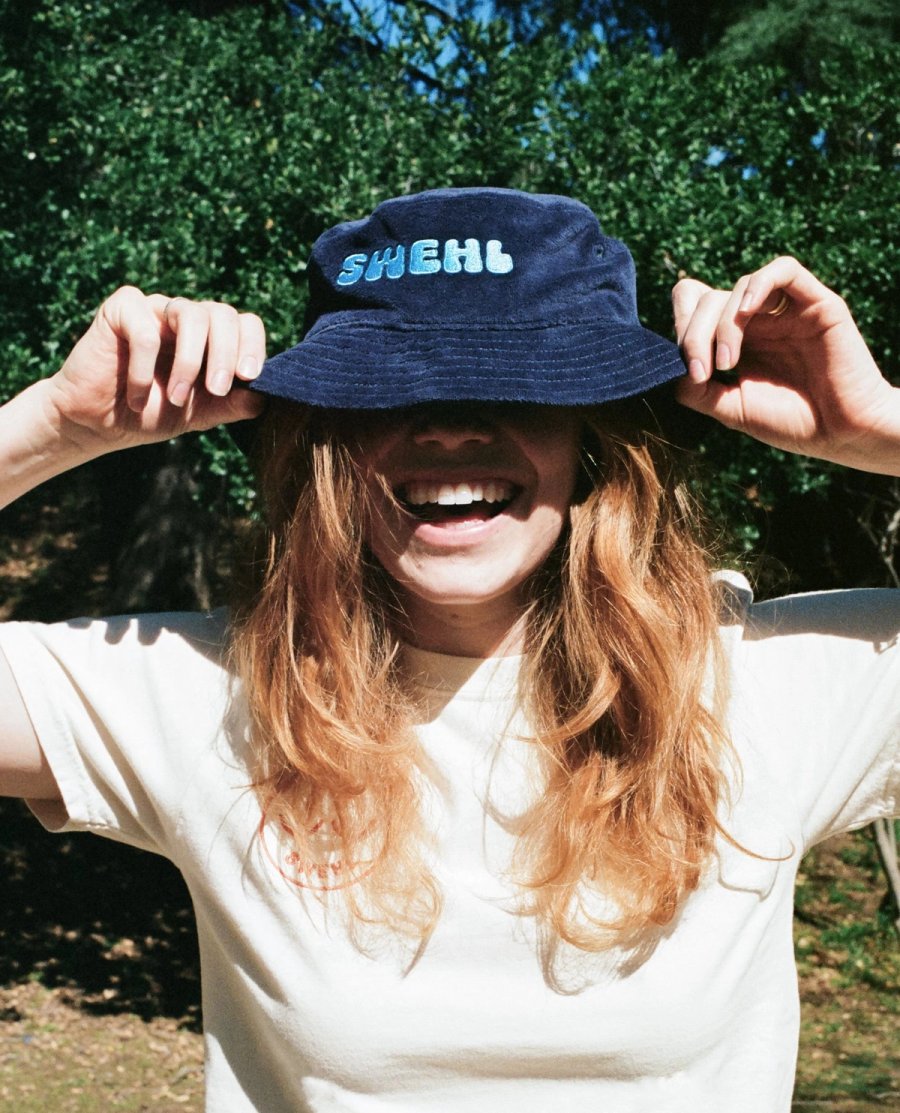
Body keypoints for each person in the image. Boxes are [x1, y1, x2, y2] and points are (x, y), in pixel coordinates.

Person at [0, 187, 897, 1112]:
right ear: (333, 438)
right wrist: (50, 429)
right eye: (391, 389)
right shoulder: (218, 692)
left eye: (518, 385)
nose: (452, 428)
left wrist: (879, 428)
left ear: (594, 437)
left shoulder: (766, 682)